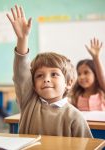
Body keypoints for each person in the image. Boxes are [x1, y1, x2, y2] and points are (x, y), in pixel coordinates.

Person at [6, 5, 92, 137]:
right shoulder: (29, 101)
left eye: (54, 74)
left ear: (69, 82)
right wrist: (22, 39)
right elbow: (21, 74)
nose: (46, 79)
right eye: (39, 75)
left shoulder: (75, 117)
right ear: (33, 85)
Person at [70, 38, 105, 111]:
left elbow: (102, 79)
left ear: (96, 74)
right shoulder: (75, 97)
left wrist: (96, 58)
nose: (82, 77)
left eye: (86, 72)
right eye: (79, 74)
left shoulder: (102, 94)